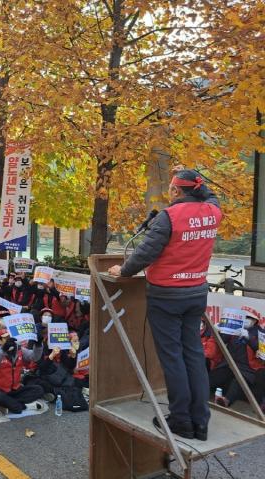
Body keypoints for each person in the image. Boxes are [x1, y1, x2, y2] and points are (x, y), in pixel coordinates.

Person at [108, 167, 222, 441]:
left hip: (167, 296)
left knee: (172, 358)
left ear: (176, 191)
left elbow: (145, 253)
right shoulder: (212, 212)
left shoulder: (169, 217)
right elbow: (212, 195)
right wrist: (196, 184)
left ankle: (181, 421)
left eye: (172, 187)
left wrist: (122, 271)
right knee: (193, 354)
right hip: (196, 293)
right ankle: (200, 422)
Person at [0, 329, 45, 414]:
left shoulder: (19, 350)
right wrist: (3, 350)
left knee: (39, 389)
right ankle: (20, 405)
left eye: (11, 337)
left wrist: (38, 345)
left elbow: (34, 357)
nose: (10, 340)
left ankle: (9, 404)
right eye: (6, 338)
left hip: (14, 389)